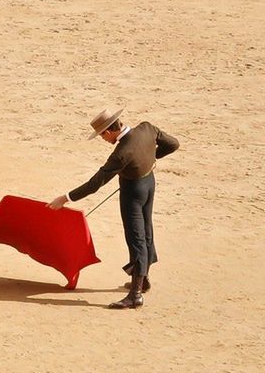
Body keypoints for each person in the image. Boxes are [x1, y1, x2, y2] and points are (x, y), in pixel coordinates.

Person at [48, 107, 179, 309]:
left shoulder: (121, 153)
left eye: (102, 136)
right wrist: (150, 158)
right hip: (149, 184)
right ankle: (142, 280)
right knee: (146, 231)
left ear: (108, 131)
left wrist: (65, 198)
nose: (104, 140)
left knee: (136, 238)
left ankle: (135, 295)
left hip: (132, 193)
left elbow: (95, 184)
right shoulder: (146, 128)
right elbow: (173, 144)